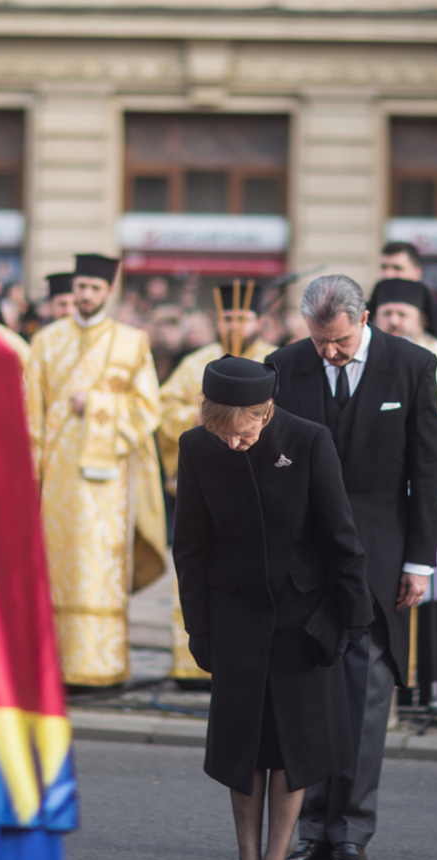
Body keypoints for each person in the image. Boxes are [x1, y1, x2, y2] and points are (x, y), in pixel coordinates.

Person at [173, 356, 372, 860]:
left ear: (265, 413)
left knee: (291, 748)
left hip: (301, 619)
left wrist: (352, 619)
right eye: (224, 437)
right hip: (234, 614)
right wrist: (200, 629)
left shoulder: (308, 441)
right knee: (244, 748)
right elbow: (189, 548)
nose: (234, 445)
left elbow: (340, 538)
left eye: (243, 435)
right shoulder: (197, 447)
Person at [269, 274, 437, 860]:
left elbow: (427, 469)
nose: (328, 353)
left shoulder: (413, 366)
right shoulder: (283, 364)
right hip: (303, 559)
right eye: (319, 341)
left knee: (366, 699)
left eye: (338, 341)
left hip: (379, 554)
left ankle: (351, 831)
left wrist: (420, 561)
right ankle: (309, 825)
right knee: (306, 695)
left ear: (363, 319)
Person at [25, 253, 166, 686]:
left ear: (108, 291)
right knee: (54, 566)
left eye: (93, 288)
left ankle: (99, 665)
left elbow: (148, 410)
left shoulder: (131, 342)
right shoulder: (46, 342)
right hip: (58, 480)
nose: (85, 295)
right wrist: (31, 477)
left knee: (99, 571)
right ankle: (53, 666)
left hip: (107, 485)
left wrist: (100, 405)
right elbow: (30, 413)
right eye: (80, 287)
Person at [158, 283, 279, 686]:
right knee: (195, 561)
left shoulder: (275, 360)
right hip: (204, 480)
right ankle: (193, 659)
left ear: (259, 321)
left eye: (242, 317)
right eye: (227, 317)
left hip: (260, 485)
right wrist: (197, 419)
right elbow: (162, 407)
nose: (234, 324)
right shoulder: (197, 362)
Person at [373, 279, 437, 703]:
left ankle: (424, 686)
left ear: (421, 319)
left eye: (404, 313)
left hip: (419, 493)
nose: (395, 320)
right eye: (388, 313)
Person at [374, 241, 437, 359]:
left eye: (397, 268)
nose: (388, 275)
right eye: (384, 268)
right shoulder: (368, 307)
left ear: (417, 273)